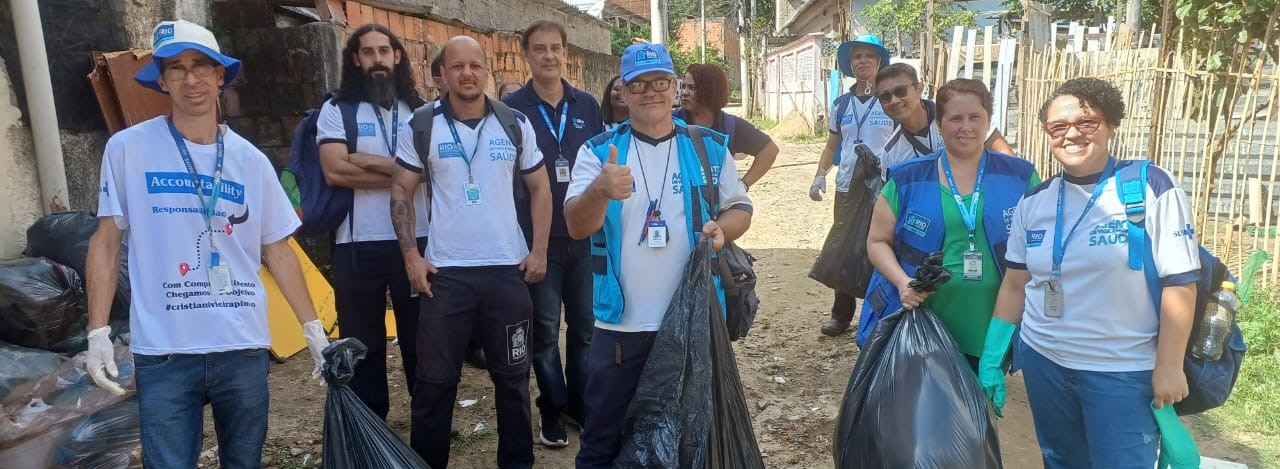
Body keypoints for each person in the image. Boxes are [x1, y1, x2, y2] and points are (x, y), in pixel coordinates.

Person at [83, 20, 329, 467]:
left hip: (241, 346)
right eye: (175, 68)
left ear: (221, 76)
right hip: (165, 351)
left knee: (244, 462)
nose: (190, 78)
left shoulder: (249, 161)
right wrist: (97, 330)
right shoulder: (127, 150)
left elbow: (277, 249)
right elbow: (106, 242)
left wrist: (312, 327)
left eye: (201, 66)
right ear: (161, 80)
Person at [978, 77, 1200, 468]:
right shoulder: (1034, 201)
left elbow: (1180, 283)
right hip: (1045, 363)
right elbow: (1015, 284)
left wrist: (1168, 365)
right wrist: (992, 358)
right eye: (1058, 127)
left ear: (1110, 124)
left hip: (1121, 372)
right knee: (1061, 461)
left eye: (1087, 122)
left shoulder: (1149, 187)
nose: (1072, 135)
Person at [564, 43, 753, 469]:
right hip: (622, 328)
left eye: (661, 82)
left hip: (694, 322)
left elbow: (741, 206)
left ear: (674, 90)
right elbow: (576, 225)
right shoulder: (598, 154)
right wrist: (600, 190)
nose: (651, 92)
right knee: (602, 440)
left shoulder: (709, 147)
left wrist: (723, 229)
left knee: (693, 436)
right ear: (623, 93)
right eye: (639, 84)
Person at [391, 35, 552, 469]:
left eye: (475, 65)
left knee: (514, 381)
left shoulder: (514, 122)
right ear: (441, 74)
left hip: (507, 272)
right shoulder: (423, 126)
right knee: (435, 384)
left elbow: (540, 188)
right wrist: (411, 256)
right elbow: (401, 190)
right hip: (447, 276)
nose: (467, 73)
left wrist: (538, 251)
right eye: (456, 66)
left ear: (488, 71)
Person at [860, 78, 1040, 367]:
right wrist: (902, 282)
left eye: (975, 117)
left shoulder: (1020, 176)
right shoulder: (908, 178)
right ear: (940, 125)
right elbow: (877, 241)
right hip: (923, 322)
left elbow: (1038, 242)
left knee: (978, 405)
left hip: (993, 322)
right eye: (955, 118)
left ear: (988, 121)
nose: (966, 127)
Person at [316, 22, 428, 420]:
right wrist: (404, 174)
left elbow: (432, 172)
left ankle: (426, 423)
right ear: (355, 59)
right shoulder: (336, 110)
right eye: (368, 52)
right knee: (363, 342)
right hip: (356, 243)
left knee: (421, 340)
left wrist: (368, 161)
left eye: (385, 51)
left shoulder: (421, 112)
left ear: (397, 56)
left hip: (418, 241)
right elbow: (335, 172)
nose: (378, 60)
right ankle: (370, 427)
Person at [501, 20, 604, 448]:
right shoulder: (511, 110)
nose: (549, 56)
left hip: (583, 237)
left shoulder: (588, 106)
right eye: (539, 49)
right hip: (537, 242)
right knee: (544, 332)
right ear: (525, 54)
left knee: (584, 328)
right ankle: (552, 407)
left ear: (566, 54)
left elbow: (599, 167)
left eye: (556, 48)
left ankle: (578, 402)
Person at [811, 34, 896, 337]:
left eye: (868, 56)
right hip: (847, 185)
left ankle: (880, 313)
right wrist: (820, 173)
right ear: (850, 64)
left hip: (883, 187)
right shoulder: (841, 104)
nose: (862, 61)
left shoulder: (890, 100)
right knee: (845, 246)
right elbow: (832, 143)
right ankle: (841, 314)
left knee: (883, 246)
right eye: (857, 56)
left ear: (879, 62)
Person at [877, 63, 1016, 172]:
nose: (894, 100)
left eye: (900, 91)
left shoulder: (959, 113)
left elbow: (1006, 155)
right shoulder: (890, 153)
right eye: (885, 96)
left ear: (919, 89)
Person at [676, 63, 779, 189]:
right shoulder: (672, 122)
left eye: (692, 88)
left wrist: (742, 186)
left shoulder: (730, 125)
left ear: (710, 91)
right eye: (684, 86)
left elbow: (770, 150)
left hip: (719, 206)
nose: (684, 93)